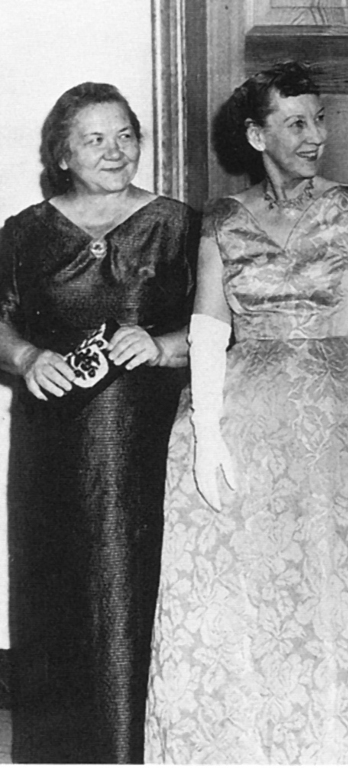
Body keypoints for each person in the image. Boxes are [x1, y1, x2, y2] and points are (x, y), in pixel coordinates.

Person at [143, 61, 348, 764]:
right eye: (296, 122)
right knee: (262, 595)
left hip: (345, 417)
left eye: (319, 119)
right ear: (256, 134)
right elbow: (208, 329)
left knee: (347, 594)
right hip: (249, 423)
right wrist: (206, 433)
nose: (315, 135)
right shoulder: (224, 218)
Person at [0, 82, 198, 763]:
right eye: (95, 139)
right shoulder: (24, 232)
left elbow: (225, 325)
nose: (115, 151)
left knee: (134, 589)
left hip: (144, 445)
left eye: (125, 136)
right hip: (50, 448)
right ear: (61, 153)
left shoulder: (178, 223)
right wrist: (25, 355)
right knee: (51, 591)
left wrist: (164, 346)